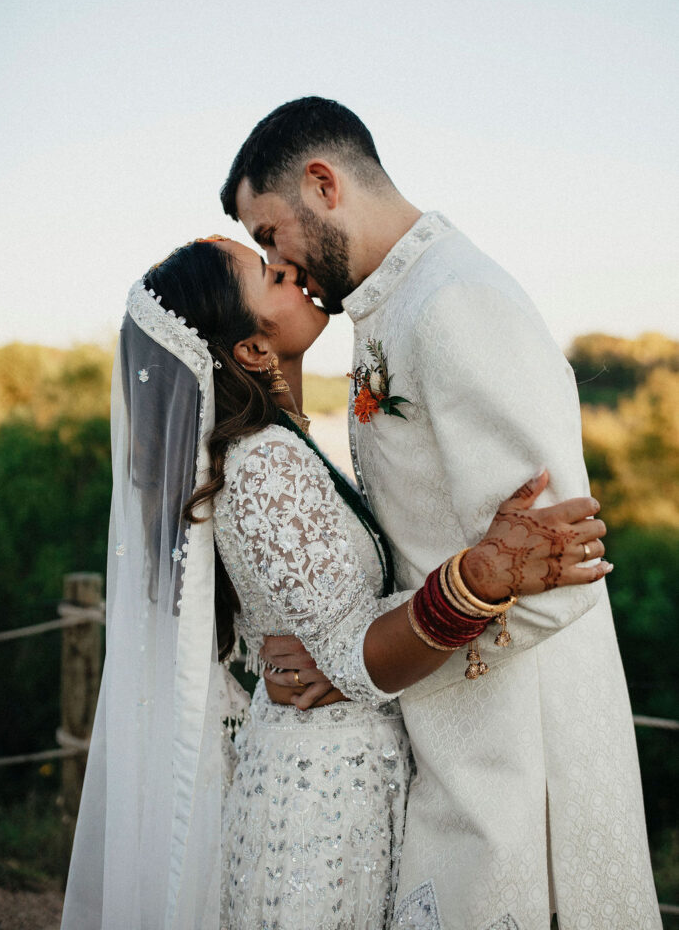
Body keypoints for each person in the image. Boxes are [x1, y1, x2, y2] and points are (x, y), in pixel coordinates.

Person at [62, 236, 611, 930]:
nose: (289, 270)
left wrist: (338, 650)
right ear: (254, 352)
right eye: (267, 274)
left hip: (340, 775)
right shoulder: (262, 463)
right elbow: (352, 646)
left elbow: (335, 635)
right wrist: (478, 577)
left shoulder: (280, 445)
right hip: (317, 802)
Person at [221, 97, 662, 930]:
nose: (277, 263)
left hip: (517, 752)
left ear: (322, 184)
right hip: (449, 732)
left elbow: (557, 569)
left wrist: (355, 657)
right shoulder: (387, 307)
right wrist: (358, 649)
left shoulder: (457, 301)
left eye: (270, 235)